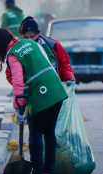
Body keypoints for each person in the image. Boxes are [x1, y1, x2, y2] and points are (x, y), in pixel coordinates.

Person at [0, 28, 68, 174]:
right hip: (57, 90)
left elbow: (18, 81)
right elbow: (48, 62)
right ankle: (48, 172)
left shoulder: (13, 54)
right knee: (49, 132)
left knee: (35, 133)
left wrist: (17, 108)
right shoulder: (30, 43)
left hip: (41, 94)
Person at [6, 16, 76, 157]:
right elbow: (11, 75)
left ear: (39, 33)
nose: (30, 40)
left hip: (54, 93)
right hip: (34, 96)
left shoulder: (52, 45)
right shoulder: (20, 50)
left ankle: (45, 169)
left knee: (49, 131)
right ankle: (42, 168)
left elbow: (64, 63)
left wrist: (69, 77)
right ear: (21, 36)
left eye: (33, 36)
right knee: (37, 132)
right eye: (26, 37)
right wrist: (23, 90)